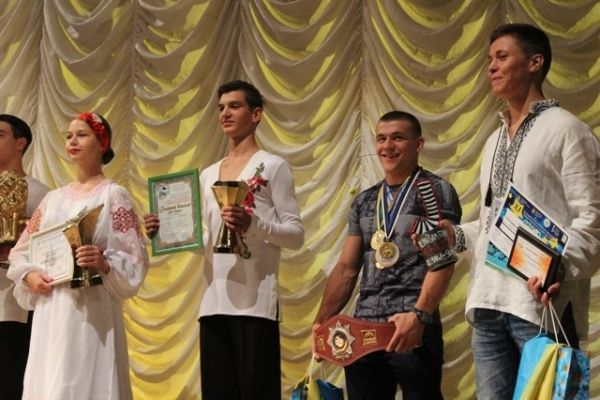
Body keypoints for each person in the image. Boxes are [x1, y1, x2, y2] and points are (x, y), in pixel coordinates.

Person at [449, 23, 600, 399]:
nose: (491, 67)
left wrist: (559, 267)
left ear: (535, 62)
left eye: (502, 57)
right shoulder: (493, 139)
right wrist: (452, 236)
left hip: (541, 305)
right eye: (489, 59)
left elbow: (591, 219)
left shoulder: (568, 130)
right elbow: (492, 223)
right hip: (487, 300)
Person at [144, 80, 304, 400]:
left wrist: (254, 224)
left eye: (234, 106)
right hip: (214, 302)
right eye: (220, 108)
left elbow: (296, 235)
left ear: (256, 114)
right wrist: (169, 232)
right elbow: (205, 240)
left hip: (256, 303)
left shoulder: (272, 166)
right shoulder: (208, 174)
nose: (225, 114)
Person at [312, 111, 462, 400]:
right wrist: (322, 321)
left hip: (410, 324)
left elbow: (442, 263)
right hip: (364, 327)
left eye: (398, 138)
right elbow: (346, 269)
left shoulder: (434, 191)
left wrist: (419, 316)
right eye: (381, 139)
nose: (387, 146)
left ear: (418, 144)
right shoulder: (365, 200)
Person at [7, 112, 148, 400]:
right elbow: (21, 251)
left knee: (86, 378)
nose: (73, 141)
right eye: (69, 136)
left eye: (82, 135)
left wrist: (103, 262)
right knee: (51, 380)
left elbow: (135, 257)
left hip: (91, 309)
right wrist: (30, 275)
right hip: (52, 309)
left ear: (101, 144)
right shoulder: (53, 199)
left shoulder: (114, 195)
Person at [0, 114, 50, 400]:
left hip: (11, 307)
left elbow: (47, 252)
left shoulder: (41, 194)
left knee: (9, 383)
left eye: (0, 135)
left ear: (20, 143)